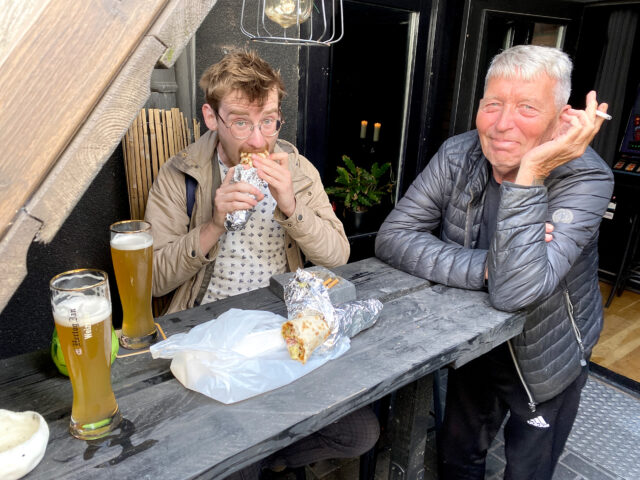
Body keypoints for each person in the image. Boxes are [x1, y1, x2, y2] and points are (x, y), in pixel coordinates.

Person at [375, 44, 614, 479]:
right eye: (493, 105)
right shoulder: (457, 154)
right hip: (474, 343)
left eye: (526, 108)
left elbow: (516, 292)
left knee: (527, 470)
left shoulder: (588, 176)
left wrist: (533, 172)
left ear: (563, 119)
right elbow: (393, 238)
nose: (503, 124)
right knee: (456, 456)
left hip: (545, 355)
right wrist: (487, 266)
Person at [145, 50, 378, 479]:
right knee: (238, 457)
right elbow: (153, 279)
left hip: (280, 328)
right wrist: (213, 225)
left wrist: (291, 206)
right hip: (207, 334)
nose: (257, 140)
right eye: (240, 122)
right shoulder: (181, 175)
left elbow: (338, 256)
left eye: (268, 120)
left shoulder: (298, 169)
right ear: (211, 117)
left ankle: (271, 457)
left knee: (359, 432)